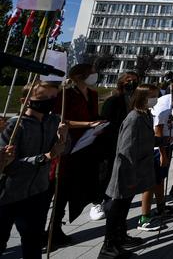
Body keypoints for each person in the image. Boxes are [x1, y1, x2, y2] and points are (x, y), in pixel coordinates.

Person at [0, 82, 67, 258]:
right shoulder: (15, 126)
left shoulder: (53, 121)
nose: (49, 102)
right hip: (8, 194)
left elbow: (62, 150)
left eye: (53, 98)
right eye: (43, 98)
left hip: (38, 191)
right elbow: (9, 165)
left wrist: (64, 139)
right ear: (26, 100)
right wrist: (43, 157)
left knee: (33, 241)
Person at [98, 84, 160, 259]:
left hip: (137, 170)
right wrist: (130, 176)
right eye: (152, 96)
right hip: (126, 171)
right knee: (117, 207)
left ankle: (119, 239)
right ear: (142, 98)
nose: (155, 99)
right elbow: (126, 150)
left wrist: (160, 141)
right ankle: (108, 246)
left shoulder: (145, 115)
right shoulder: (133, 118)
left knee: (123, 207)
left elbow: (144, 139)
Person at [49, 64, 107, 248]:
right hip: (69, 146)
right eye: (91, 73)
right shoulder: (66, 94)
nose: (94, 76)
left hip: (86, 146)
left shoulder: (93, 94)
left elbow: (94, 115)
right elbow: (60, 120)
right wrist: (88, 124)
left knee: (75, 187)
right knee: (62, 188)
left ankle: (59, 224)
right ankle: (53, 228)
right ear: (81, 76)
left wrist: (98, 125)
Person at [138, 84, 173, 232]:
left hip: (167, 145)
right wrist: (163, 154)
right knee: (151, 182)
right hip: (159, 149)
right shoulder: (164, 106)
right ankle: (144, 217)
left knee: (159, 180)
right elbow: (157, 131)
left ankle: (161, 207)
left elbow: (172, 122)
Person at [99, 72, 140, 218]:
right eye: (129, 80)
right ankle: (105, 201)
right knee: (111, 174)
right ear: (121, 82)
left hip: (130, 144)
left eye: (135, 80)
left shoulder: (135, 100)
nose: (132, 83)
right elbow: (106, 123)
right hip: (115, 144)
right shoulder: (113, 100)